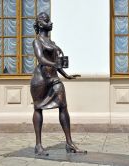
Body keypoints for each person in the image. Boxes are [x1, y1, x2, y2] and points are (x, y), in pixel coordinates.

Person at [30, 12, 86, 155]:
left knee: (63, 105)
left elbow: (57, 63)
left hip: (54, 78)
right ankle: (38, 145)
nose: (48, 21)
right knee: (38, 108)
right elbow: (41, 59)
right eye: (44, 19)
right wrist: (55, 63)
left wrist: (66, 75)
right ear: (39, 24)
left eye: (48, 18)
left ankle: (69, 143)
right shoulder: (37, 41)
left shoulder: (52, 43)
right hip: (40, 81)